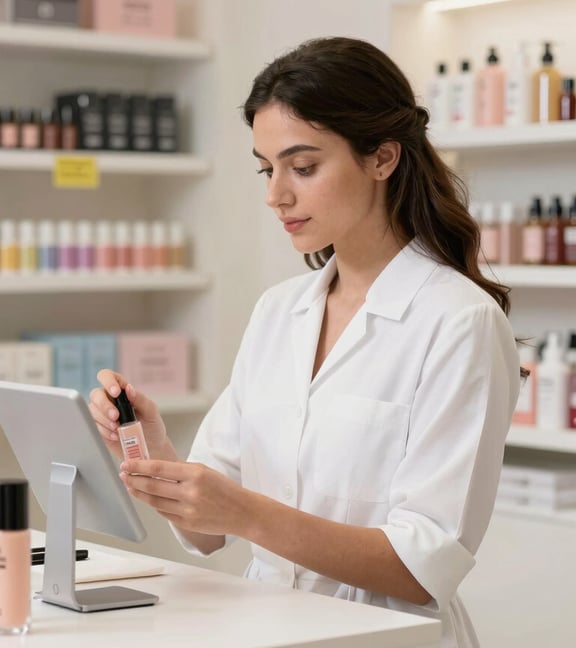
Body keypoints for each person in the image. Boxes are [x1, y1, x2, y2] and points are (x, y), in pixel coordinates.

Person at [89, 37, 520, 648]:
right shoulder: (278, 313)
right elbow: (207, 532)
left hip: (386, 637)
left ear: (382, 158)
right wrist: (152, 445)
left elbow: (422, 567)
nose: (276, 195)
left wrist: (245, 512)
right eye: (268, 169)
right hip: (266, 627)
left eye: (304, 166)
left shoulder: (457, 322)